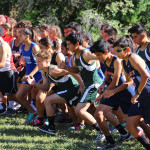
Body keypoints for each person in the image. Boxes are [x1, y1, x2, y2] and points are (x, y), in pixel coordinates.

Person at [27, 50, 84, 135]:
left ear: (47, 61)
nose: (37, 63)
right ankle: (80, 126)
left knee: (48, 100)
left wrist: (82, 86)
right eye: (36, 61)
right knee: (75, 109)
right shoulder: (44, 71)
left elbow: (73, 72)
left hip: (73, 89)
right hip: (67, 90)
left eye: (39, 61)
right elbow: (46, 87)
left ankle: (51, 128)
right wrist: (35, 84)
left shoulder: (53, 70)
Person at [60, 32, 104, 141]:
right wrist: (65, 67)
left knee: (80, 111)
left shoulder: (86, 54)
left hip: (94, 85)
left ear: (77, 44)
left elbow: (101, 57)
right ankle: (109, 128)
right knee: (94, 109)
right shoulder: (75, 55)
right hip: (88, 85)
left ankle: (101, 131)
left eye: (69, 44)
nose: (68, 46)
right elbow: (76, 70)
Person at [90, 39, 133, 150]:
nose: (98, 58)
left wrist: (102, 94)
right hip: (112, 93)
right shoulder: (105, 60)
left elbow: (116, 81)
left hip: (124, 94)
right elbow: (109, 77)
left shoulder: (117, 60)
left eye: (99, 55)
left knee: (136, 122)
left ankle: (127, 134)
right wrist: (103, 83)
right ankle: (111, 142)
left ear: (106, 52)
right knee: (98, 114)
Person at [113, 35, 150, 149]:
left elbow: (146, 75)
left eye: (118, 51)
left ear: (127, 49)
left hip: (147, 94)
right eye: (115, 51)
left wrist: (137, 93)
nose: (116, 53)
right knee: (130, 126)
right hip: (139, 96)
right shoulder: (124, 62)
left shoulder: (133, 58)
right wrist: (112, 91)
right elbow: (129, 81)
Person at [16, 28, 42, 123]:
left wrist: (30, 75)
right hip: (29, 76)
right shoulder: (23, 46)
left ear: (27, 36)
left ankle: (44, 117)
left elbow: (40, 64)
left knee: (40, 99)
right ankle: (33, 112)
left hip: (39, 76)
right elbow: (28, 63)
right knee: (19, 96)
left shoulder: (34, 47)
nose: (18, 37)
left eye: (20, 36)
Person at [0, 26, 18, 114]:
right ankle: (5, 108)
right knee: (4, 93)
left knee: (12, 96)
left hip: (8, 72)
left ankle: (32, 111)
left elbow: (2, 64)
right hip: (2, 72)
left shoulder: (3, 45)